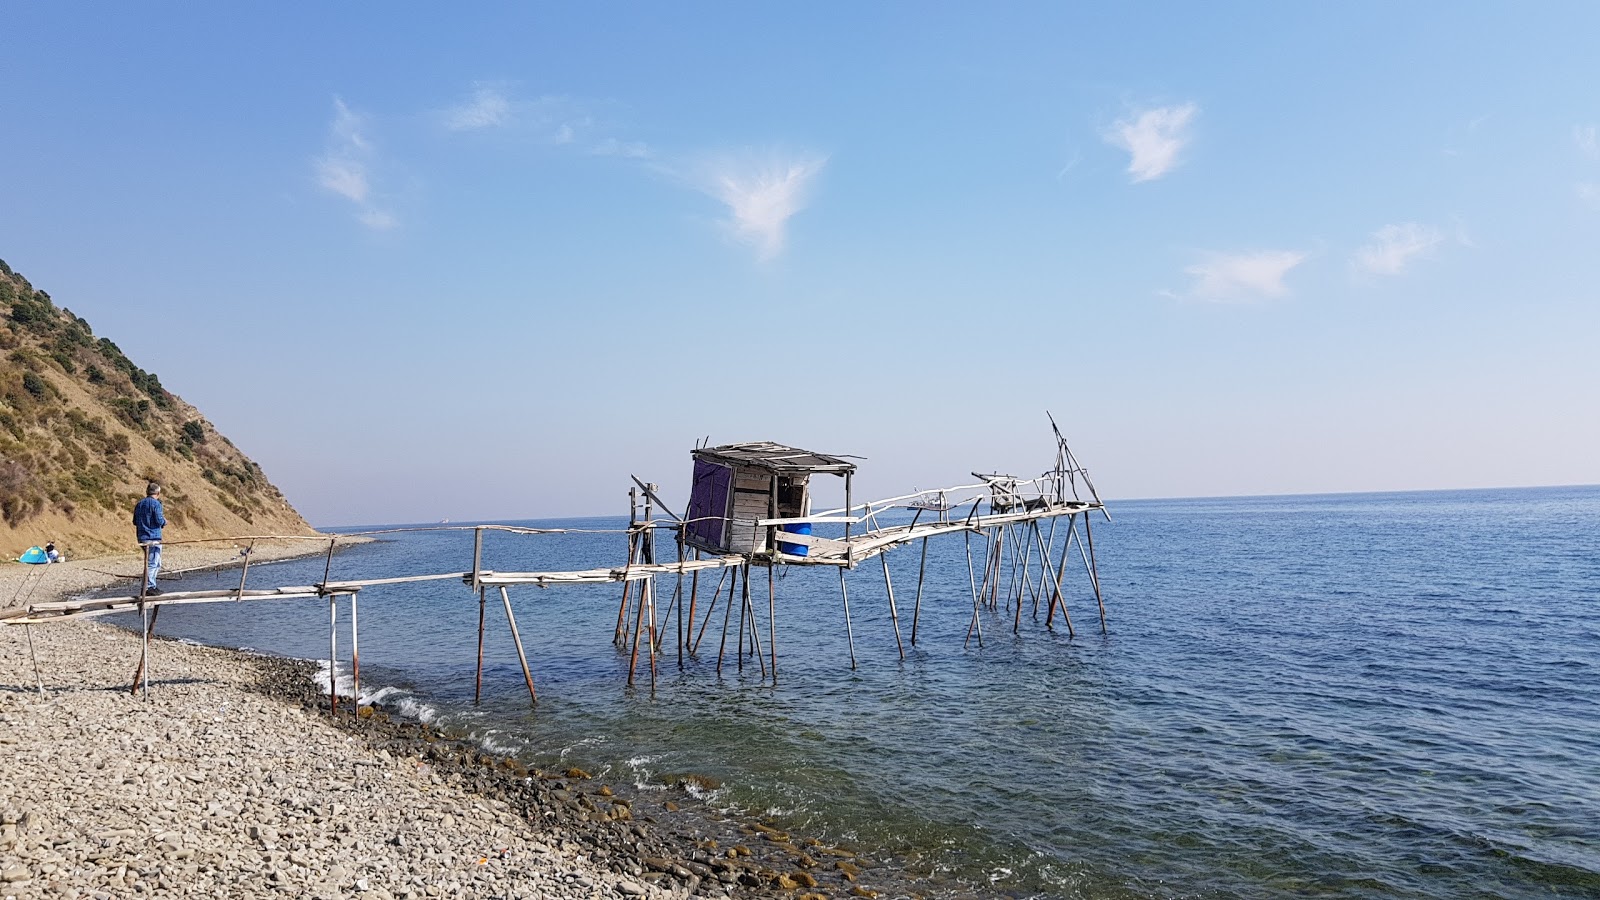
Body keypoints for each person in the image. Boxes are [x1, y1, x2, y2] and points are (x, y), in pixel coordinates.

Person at [133, 482, 166, 595]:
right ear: (157, 493)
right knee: (153, 563)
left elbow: (134, 521)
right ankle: (149, 588)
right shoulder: (156, 504)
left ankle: (152, 585)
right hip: (153, 537)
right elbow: (159, 520)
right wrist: (165, 522)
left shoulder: (139, 504)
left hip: (142, 537)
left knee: (155, 563)